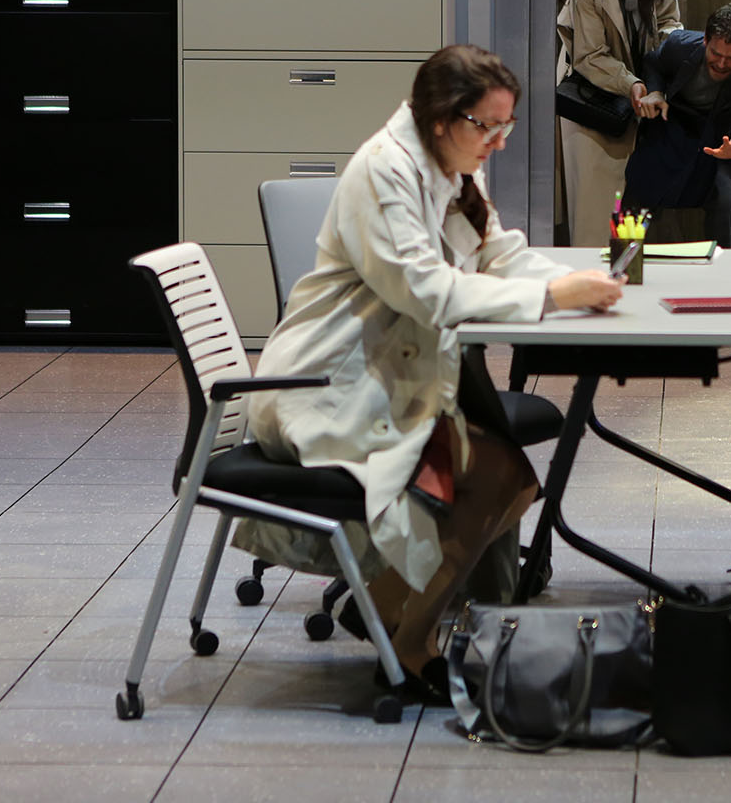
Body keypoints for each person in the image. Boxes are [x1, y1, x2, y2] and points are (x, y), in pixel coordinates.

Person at [233, 45, 625, 703]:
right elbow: (426, 291)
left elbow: (495, 253)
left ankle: (388, 612)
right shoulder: (384, 172)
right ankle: (404, 640)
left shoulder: (449, 165)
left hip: (386, 376)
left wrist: (578, 283)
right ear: (443, 118)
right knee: (494, 475)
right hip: (327, 390)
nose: (499, 142)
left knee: (507, 479)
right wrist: (553, 296)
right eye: (488, 126)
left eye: (506, 126)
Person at [557, 0, 683, 243]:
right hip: (593, 102)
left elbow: (671, 22)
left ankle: (630, 271)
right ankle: (593, 273)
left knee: (636, 207)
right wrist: (632, 83)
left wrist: (660, 70)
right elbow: (590, 56)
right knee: (594, 208)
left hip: (646, 100)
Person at [621, 3, 731, 248]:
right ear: (705, 41)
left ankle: (724, 268)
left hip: (724, 142)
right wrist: (656, 92)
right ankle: (626, 260)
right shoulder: (679, 45)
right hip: (676, 130)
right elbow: (653, 63)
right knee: (638, 188)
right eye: (716, 53)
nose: (721, 64)